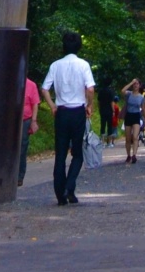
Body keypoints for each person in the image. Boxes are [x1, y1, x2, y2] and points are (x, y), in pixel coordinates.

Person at [42, 30, 95, 205]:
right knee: (77, 153)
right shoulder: (83, 65)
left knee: (60, 153)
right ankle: (69, 185)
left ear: (64, 46)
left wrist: (52, 106)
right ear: (78, 46)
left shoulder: (55, 65)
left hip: (62, 111)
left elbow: (44, 89)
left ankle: (61, 194)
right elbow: (90, 89)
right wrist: (89, 105)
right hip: (77, 110)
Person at [19, 73, 41, 185]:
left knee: (22, 146)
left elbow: (35, 104)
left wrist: (33, 120)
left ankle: (20, 176)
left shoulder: (31, 85)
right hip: (12, 119)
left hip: (25, 119)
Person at [122, 79, 145, 163]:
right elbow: (123, 90)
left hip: (136, 116)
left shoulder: (141, 97)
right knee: (128, 138)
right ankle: (128, 155)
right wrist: (131, 82)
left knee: (135, 137)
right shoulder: (129, 94)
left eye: (137, 84)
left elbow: (143, 108)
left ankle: (134, 155)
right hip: (128, 115)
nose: (135, 85)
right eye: (134, 84)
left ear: (139, 86)